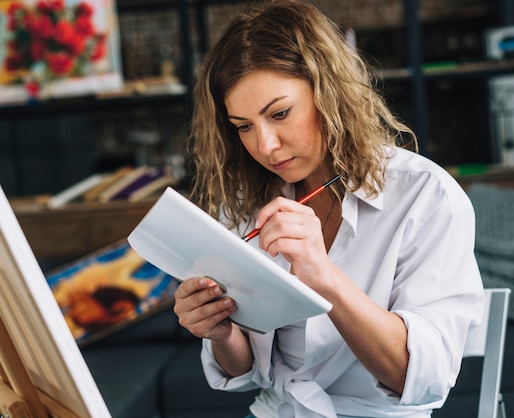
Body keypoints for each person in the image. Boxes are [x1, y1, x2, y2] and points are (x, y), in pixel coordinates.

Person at [173, 0, 484, 417]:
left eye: (280, 114)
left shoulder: (426, 196)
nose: (265, 145)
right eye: (243, 127)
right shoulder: (245, 200)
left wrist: (325, 279)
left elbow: (422, 378)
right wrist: (220, 330)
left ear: (329, 94)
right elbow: (245, 371)